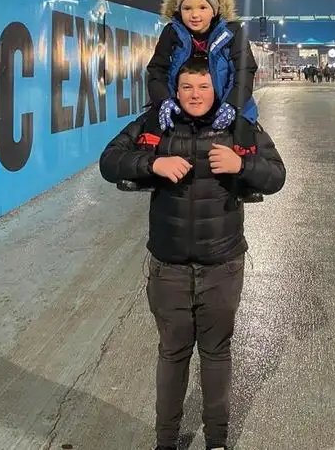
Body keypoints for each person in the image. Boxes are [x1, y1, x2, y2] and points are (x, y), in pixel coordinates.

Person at [100, 57, 286, 450]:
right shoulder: (155, 123)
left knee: (216, 353)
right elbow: (109, 161)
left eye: (203, 86)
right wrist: (153, 163)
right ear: (176, 89)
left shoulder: (239, 126)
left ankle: (216, 441)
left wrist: (243, 164)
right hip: (169, 265)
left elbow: (276, 176)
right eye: (187, 87)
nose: (195, 94)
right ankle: (165, 441)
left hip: (222, 263)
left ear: (215, 88)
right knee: (172, 353)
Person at [147, 0, 257, 144]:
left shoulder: (233, 32)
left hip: (228, 104)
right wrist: (164, 100)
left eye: (202, 7)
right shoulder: (171, 32)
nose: (195, 15)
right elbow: (157, 70)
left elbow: (244, 70)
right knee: (153, 136)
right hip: (183, 106)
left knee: (244, 141)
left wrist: (233, 104)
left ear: (214, 10)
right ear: (179, 10)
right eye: (187, 8)